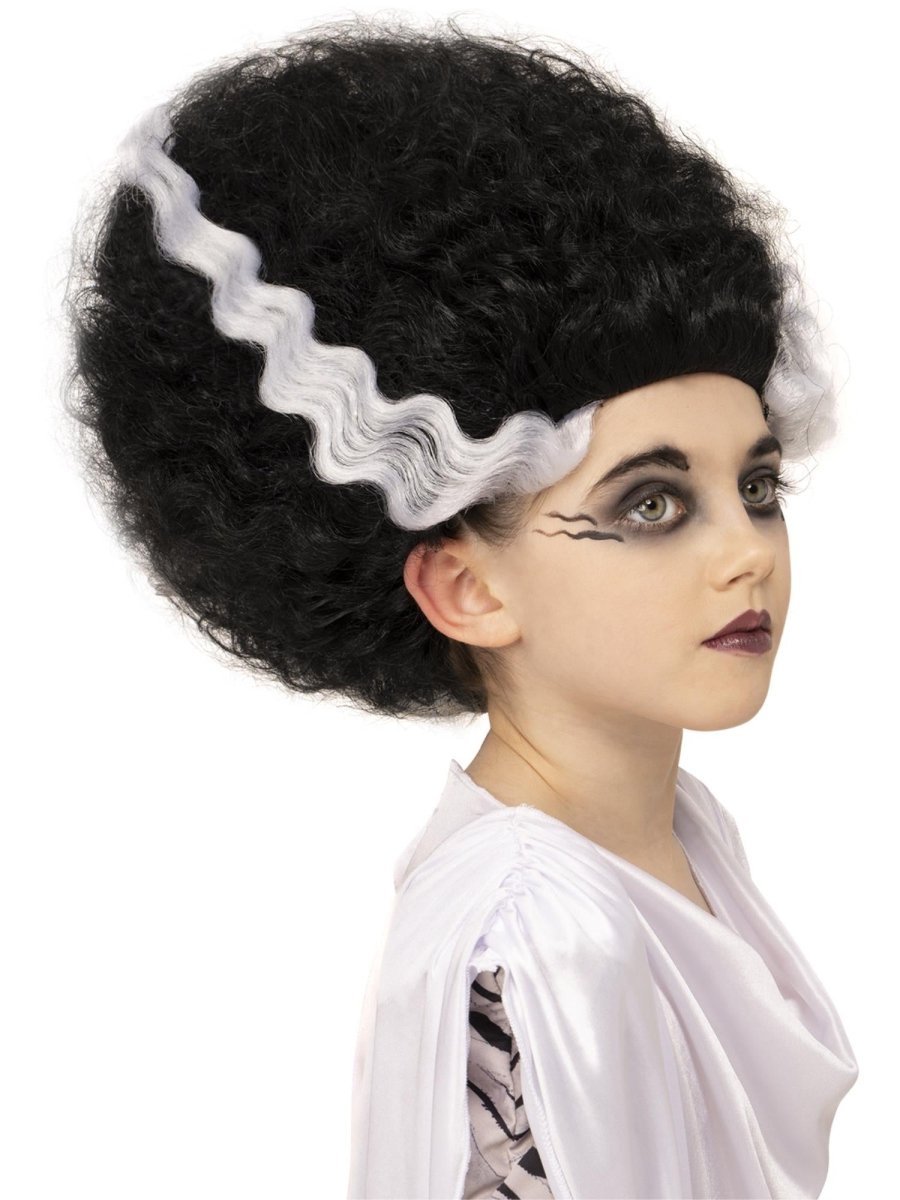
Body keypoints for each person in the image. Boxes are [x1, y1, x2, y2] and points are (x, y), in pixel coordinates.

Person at [59, 14, 858, 1198]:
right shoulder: (536, 937)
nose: (747, 554)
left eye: (755, 487)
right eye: (650, 504)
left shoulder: (679, 832)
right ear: (467, 586)